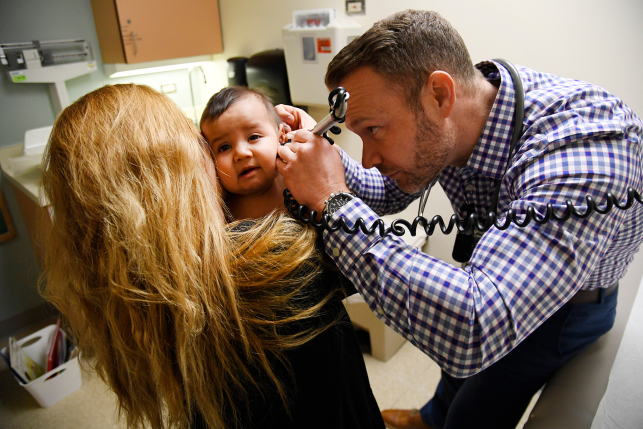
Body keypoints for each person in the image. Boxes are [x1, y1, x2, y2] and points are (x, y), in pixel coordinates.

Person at [275, 9, 643, 429]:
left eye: (374, 130)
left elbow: (475, 326)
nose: (370, 158)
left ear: (440, 95)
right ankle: (427, 419)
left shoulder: (583, 149)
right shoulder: (460, 114)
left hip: (565, 309)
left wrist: (333, 201)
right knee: (450, 383)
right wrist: (325, 162)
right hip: (491, 269)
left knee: (470, 413)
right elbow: (389, 190)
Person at [40, 82, 383, 429]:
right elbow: (369, 254)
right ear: (170, 172)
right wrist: (324, 169)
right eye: (203, 145)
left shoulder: (137, 279)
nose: (230, 155)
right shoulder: (273, 263)